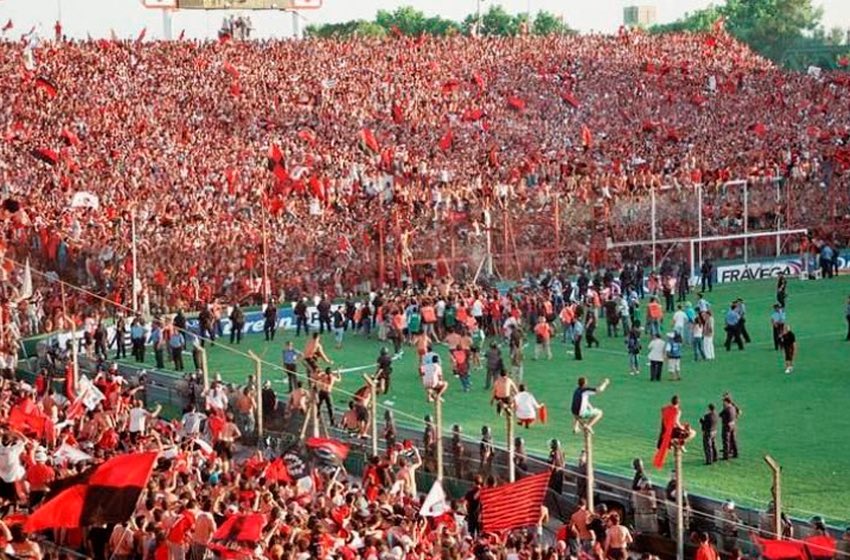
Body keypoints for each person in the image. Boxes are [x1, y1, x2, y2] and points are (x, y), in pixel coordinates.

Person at [719, 395, 740, 460]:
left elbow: (720, 415)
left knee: (726, 440)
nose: (723, 403)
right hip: (733, 425)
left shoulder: (726, 409)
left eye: (724, 402)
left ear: (726, 402)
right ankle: (736, 453)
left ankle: (726, 456)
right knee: (733, 439)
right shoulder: (733, 407)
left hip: (726, 426)